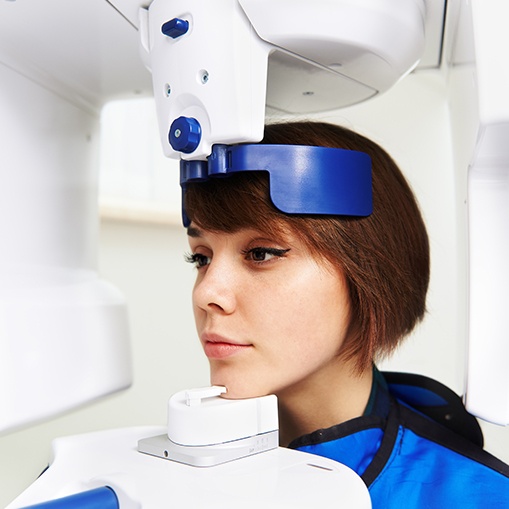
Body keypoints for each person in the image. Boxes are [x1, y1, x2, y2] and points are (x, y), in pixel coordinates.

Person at [182, 121, 509, 507]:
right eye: (200, 258)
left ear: (369, 273)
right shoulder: (183, 476)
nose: (206, 294)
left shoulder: (480, 498)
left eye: (261, 254)